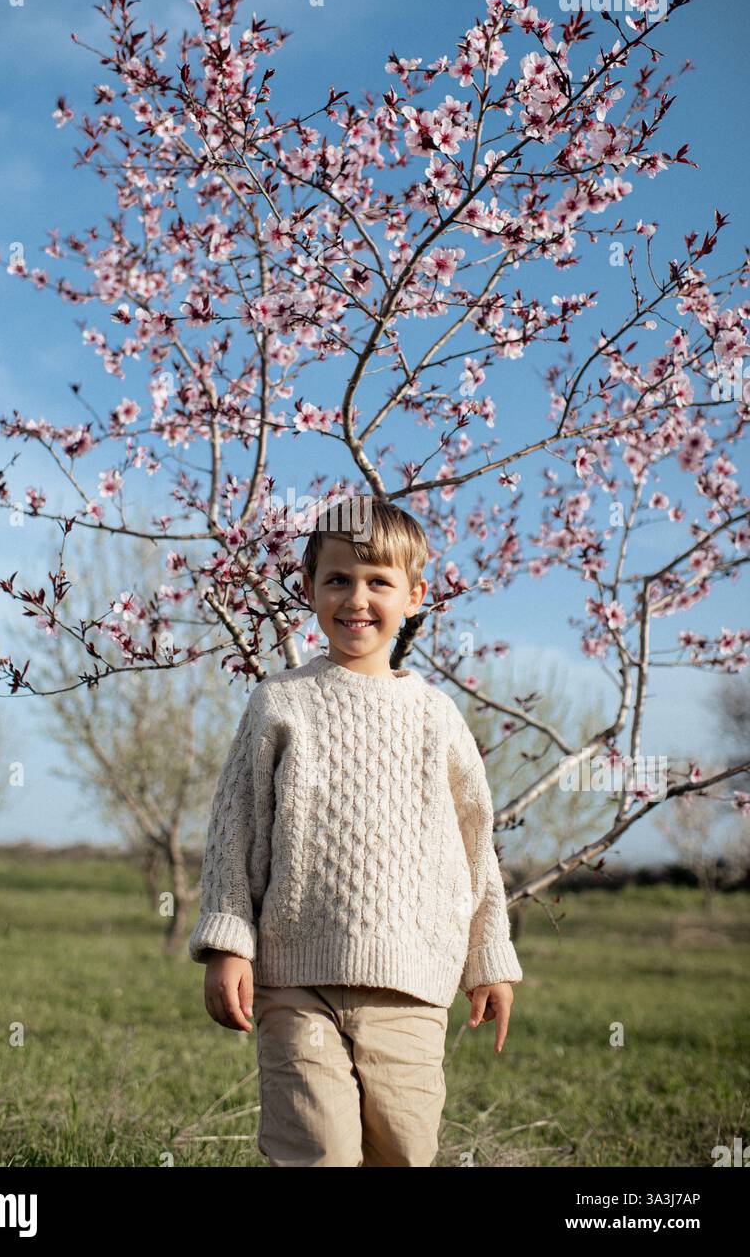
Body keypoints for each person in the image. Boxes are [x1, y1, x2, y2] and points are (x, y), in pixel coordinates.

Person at [188, 499, 522, 1167]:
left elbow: (473, 843)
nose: (356, 598)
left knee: (402, 1150)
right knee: (317, 1151)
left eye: (378, 581)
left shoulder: (436, 717)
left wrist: (488, 958)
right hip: (295, 982)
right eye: (337, 580)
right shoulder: (280, 703)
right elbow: (236, 831)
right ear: (309, 589)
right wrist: (228, 943)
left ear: (415, 595)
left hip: (411, 986)